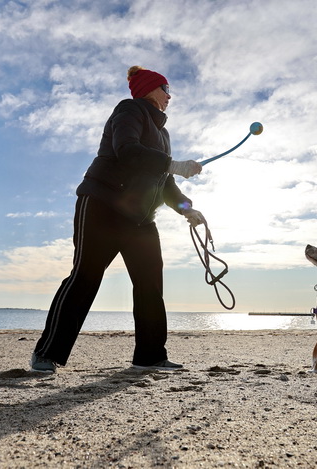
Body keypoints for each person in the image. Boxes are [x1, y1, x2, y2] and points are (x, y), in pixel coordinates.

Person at [30, 66, 206, 373]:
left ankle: (150, 356)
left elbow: (164, 181)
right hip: (102, 205)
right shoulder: (129, 110)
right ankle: (47, 353)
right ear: (151, 89)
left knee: (150, 284)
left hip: (141, 219)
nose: (169, 96)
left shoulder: (163, 134)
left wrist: (186, 208)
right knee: (85, 277)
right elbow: (127, 151)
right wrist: (175, 164)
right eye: (166, 89)